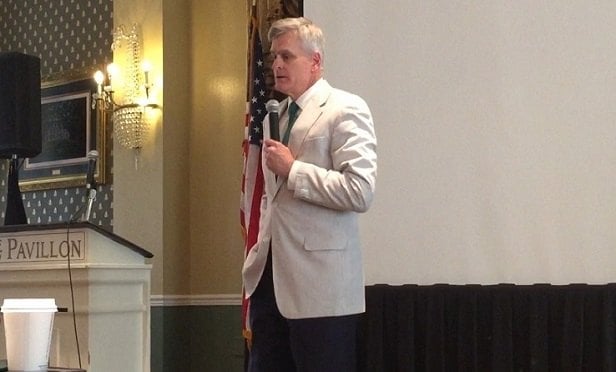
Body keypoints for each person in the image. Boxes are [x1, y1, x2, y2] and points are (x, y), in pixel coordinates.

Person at [242, 17, 377, 371]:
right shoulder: (279, 113)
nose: (276, 65)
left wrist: (294, 170)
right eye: (274, 57)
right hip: (269, 283)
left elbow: (360, 190)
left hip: (321, 291)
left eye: (287, 56)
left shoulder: (345, 108)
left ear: (315, 61)